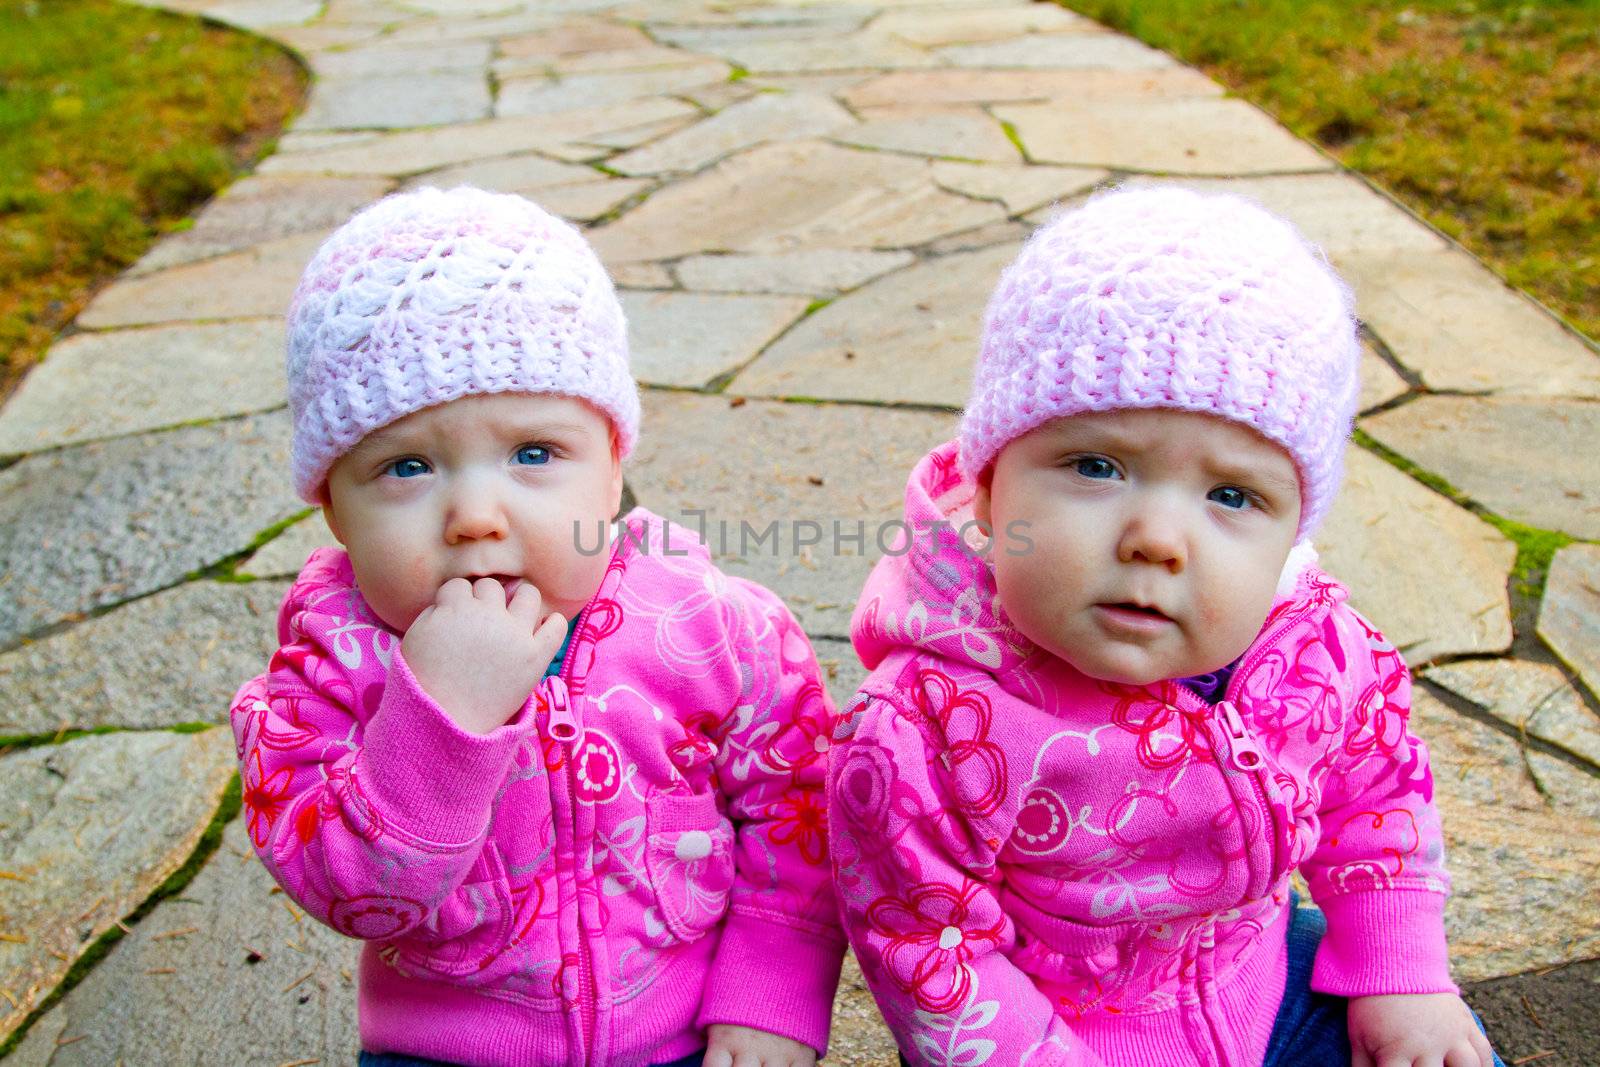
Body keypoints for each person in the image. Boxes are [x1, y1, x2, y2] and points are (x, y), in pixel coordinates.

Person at [828, 184, 1503, 1067]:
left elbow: (1376, 795)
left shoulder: (1313, 649)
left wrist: (1397, 969)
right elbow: (929, 946)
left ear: (1292, 528)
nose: (1156, 539)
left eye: (1232, 495)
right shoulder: (928, 728)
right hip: (1054, 1035)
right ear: (990, 490)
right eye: (1097, 465)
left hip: (1267, 989)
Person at [231, 187, 843, 1067]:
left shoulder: (712, 628)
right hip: (437, 1052)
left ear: (612, 462)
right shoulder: (330, 665)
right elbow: (342, 889)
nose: (477, 515)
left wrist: (770, 996)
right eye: (406, 466)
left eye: (533, 453)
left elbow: (796, 814)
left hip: (683, 1038)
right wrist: (438, 723)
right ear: (333, 508)